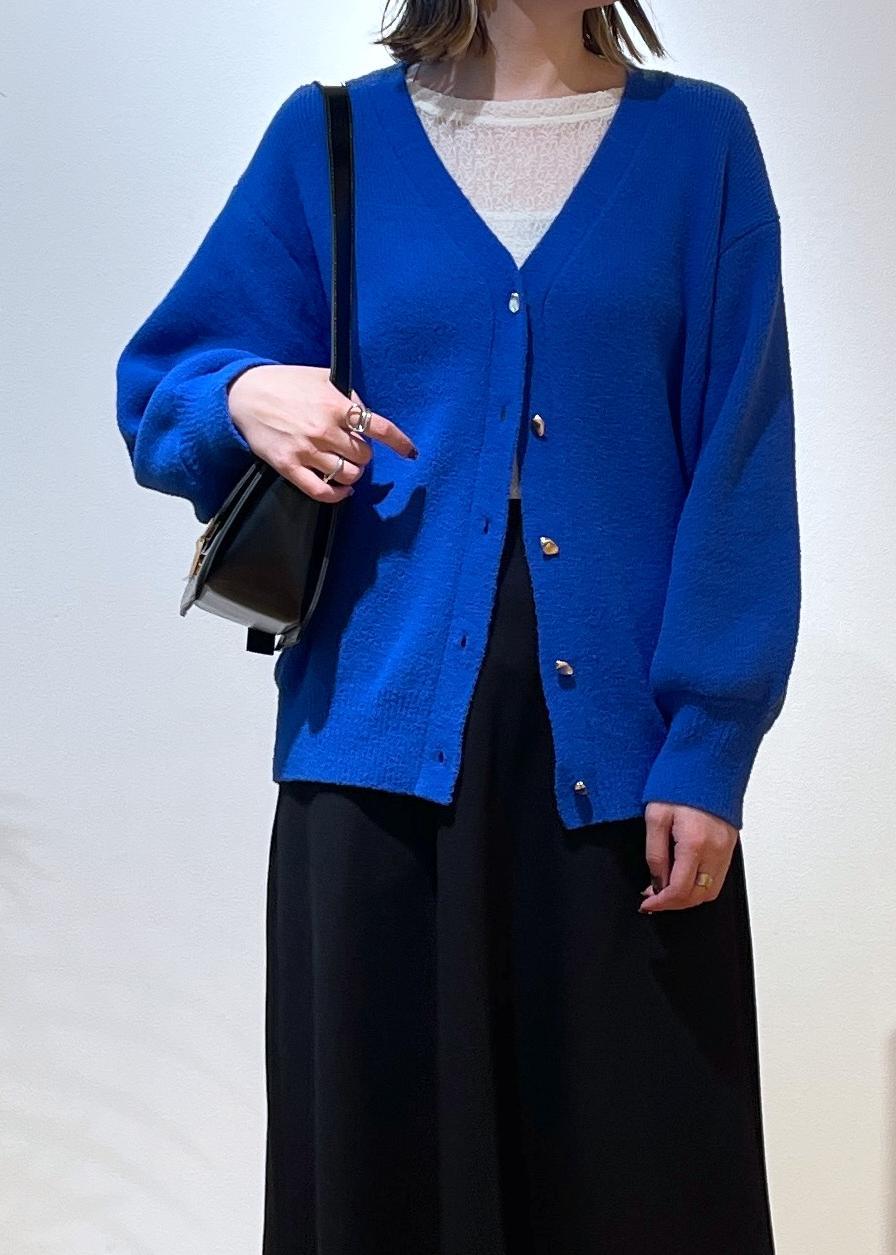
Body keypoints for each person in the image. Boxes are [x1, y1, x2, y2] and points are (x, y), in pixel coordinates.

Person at [115, 1, 801, 1251]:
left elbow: (739, 456)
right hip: (375, 750)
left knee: (638, 1180)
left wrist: (710, 740)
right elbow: (161, 386)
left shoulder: (699, 144)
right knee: (384, 1179)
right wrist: (246, 392)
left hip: (620, 763)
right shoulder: (330, 139)